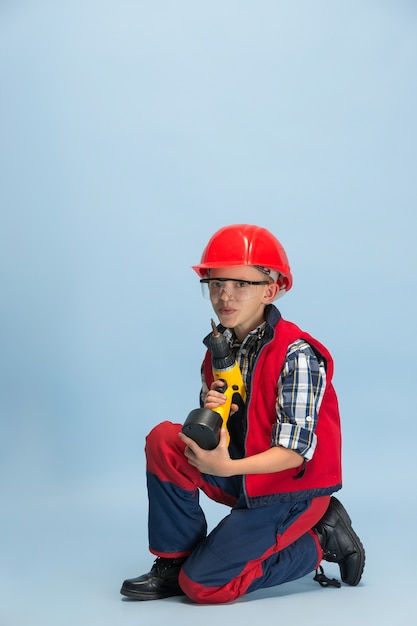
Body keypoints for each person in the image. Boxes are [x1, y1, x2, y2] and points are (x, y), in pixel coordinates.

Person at [120, 224, 365, 604]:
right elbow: (231, 428)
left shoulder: (297, 355)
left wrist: (224, 468)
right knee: (165, 440)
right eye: (216, 284)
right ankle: (173, 562)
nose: (224, 295)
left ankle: (321, 537)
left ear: (271, 289)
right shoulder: (221, 349)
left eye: (241, 284)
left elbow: (293, 452)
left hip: (290, 489)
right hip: (245, 474)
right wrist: (213, 415)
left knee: (203, 587)